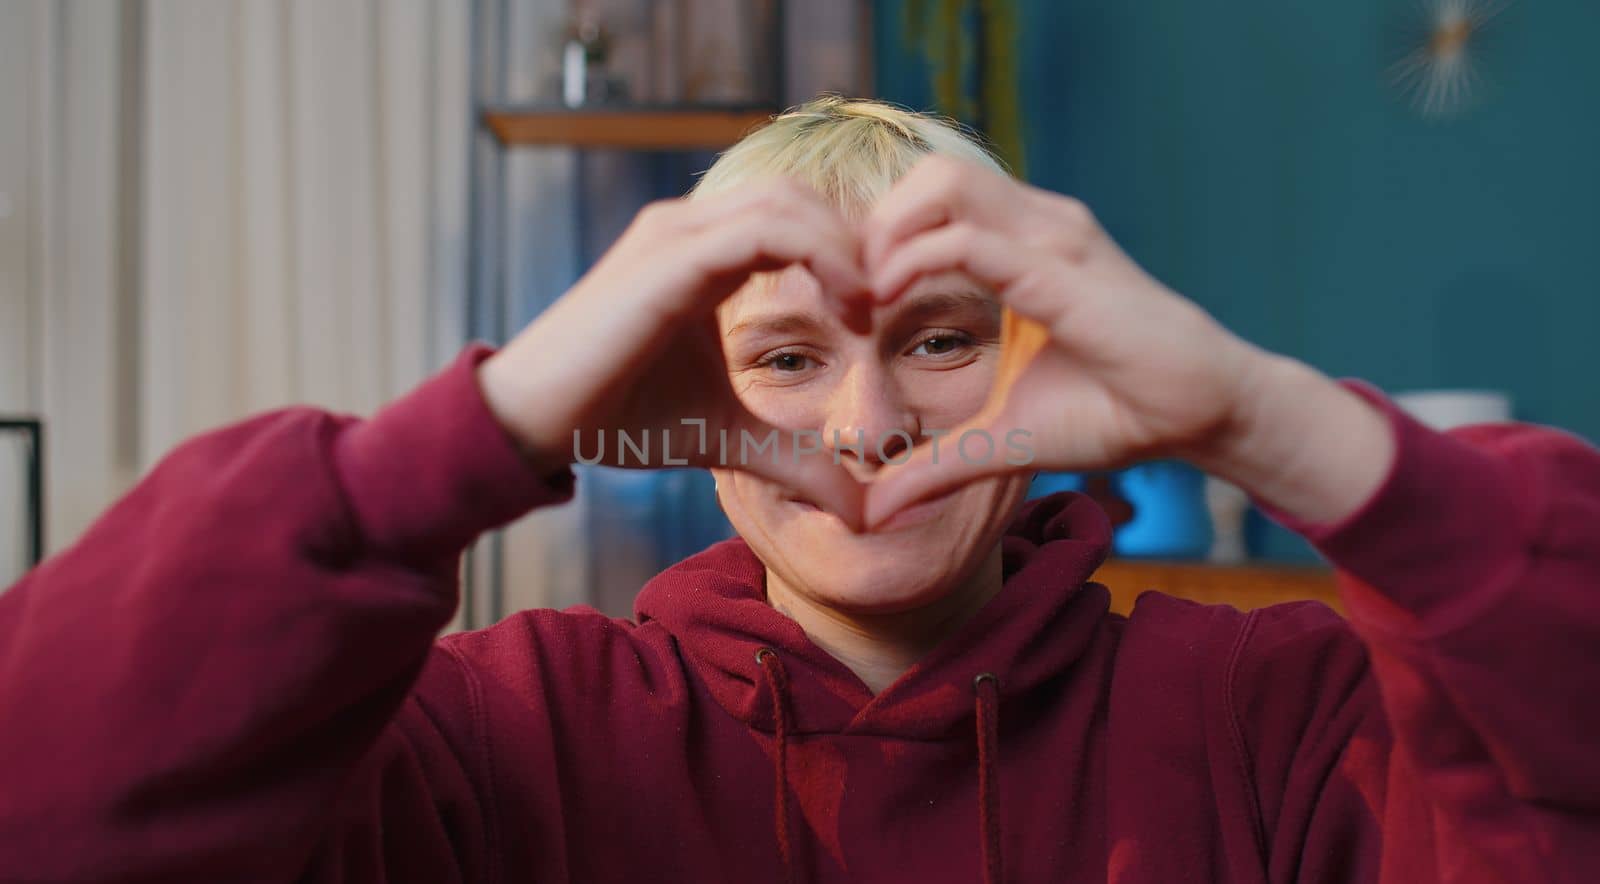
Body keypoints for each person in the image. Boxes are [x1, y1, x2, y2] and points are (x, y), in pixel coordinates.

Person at [1, 97, 1596, 884]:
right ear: (669, 405)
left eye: (942, 342)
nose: (869, 417)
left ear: (1047, 362)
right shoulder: (500, 737)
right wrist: (484, 423)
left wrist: (1260, 414)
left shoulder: (1274, 715)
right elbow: (50, 803)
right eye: (779, 359)